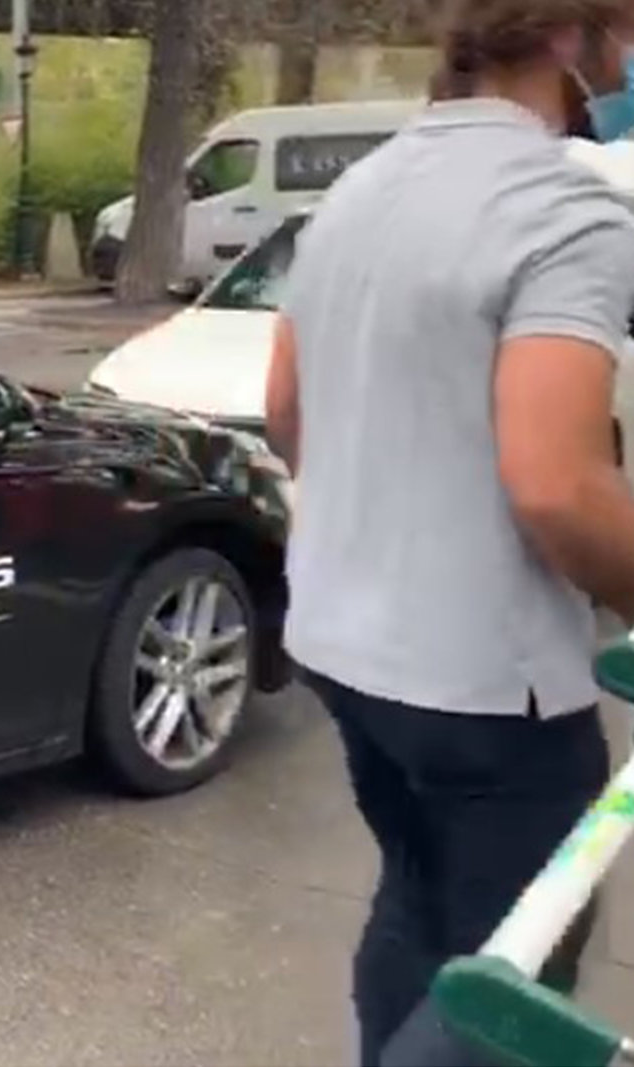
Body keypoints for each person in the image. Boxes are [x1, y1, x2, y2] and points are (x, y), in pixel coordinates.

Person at [265, 1, 634, 1062]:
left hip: (341, 648)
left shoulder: (359, 189)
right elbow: (558, 484)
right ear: (567, 39)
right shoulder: (567, 211)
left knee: (415, 899)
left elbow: (286, 413)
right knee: (511, 983)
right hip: (482, 685)